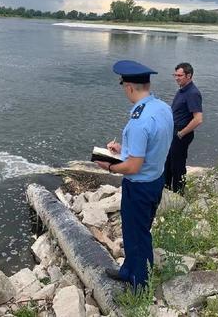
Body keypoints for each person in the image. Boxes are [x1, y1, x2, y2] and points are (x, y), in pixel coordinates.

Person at [94, 60, 173, 288]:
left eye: (123, 86)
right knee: (136, 232)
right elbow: (155, 144)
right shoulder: (162, 108)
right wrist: (123, 151)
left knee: (138, 237)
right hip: (156, 179)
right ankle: (128, 269)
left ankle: (140, 286)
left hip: (139, 186)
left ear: (128, 86)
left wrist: (108, 166)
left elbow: (132, 167)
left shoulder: (140, 121)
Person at [164, 62, 203, 194]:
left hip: (181, 134)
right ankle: (166, 192)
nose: (176, 78)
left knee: (177, 167)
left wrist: (181, 133)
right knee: (167, 164)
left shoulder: (192, 93)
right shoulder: (182, 90)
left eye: (179, 75)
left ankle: (178, 195)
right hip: (173, 132)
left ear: (189, 75)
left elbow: (198, 119)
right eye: (175, 75)